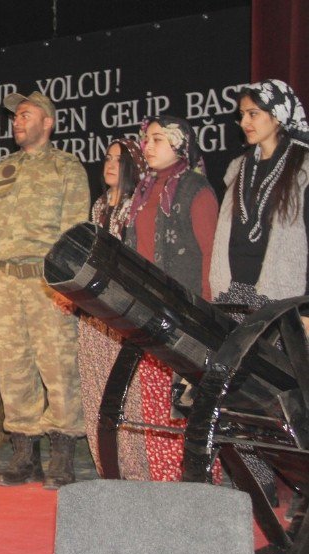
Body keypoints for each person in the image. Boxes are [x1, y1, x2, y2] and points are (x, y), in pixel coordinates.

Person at [0, 91, 89, 490]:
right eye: (15, 117)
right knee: (14, 367)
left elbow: (76, 231)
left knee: (57, 367)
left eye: (26, 114)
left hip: (45, 281)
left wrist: (66, 285)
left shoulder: (66, 168)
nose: (17, 121)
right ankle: (24, 456)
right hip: (6, 280)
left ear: (48, 122)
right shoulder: (2, 170)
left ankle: (61, 455)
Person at [209, 79, 309, 495]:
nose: (244, 122)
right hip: (237, 294)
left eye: (253, 114)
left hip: (282, 298)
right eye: (241, 115)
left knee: (282, 395)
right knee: (239, 395)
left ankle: (297, 481)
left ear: (278, 116)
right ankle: (255, 480)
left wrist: (306, 311)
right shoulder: (238, 167)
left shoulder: (303, 165)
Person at [122, 115, 219, 482]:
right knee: (155, 394)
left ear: (179, 145)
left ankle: (196, 476)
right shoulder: (144, 190)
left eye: (157, 139)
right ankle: (160, 475)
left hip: (186, 310)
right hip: (150, 306)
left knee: (188, 397)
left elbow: (210, 252)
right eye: (146, 140)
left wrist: (207, 309)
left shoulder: (196, 188)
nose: (147, 146)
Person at [77, 139, 148, 478]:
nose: (109, 164)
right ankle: (107, 464)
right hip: (93, 312)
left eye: (119, 160)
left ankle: (132, 467)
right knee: (94, 386)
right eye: (107, 157)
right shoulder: (99, 206)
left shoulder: (139, 206)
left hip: (122, 311)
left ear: (133, 168)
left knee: (125, 390)